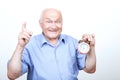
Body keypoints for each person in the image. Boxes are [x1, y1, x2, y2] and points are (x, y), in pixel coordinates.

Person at [7, 8, 96, 80]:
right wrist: (20, 46)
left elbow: (90, 69)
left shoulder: (73, 42)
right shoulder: (29, 44)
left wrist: (91, 48)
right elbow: (12, 75)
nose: (53, 26)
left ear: (62, 23)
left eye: (57, 21)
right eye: (48, 21)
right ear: (40, 24)